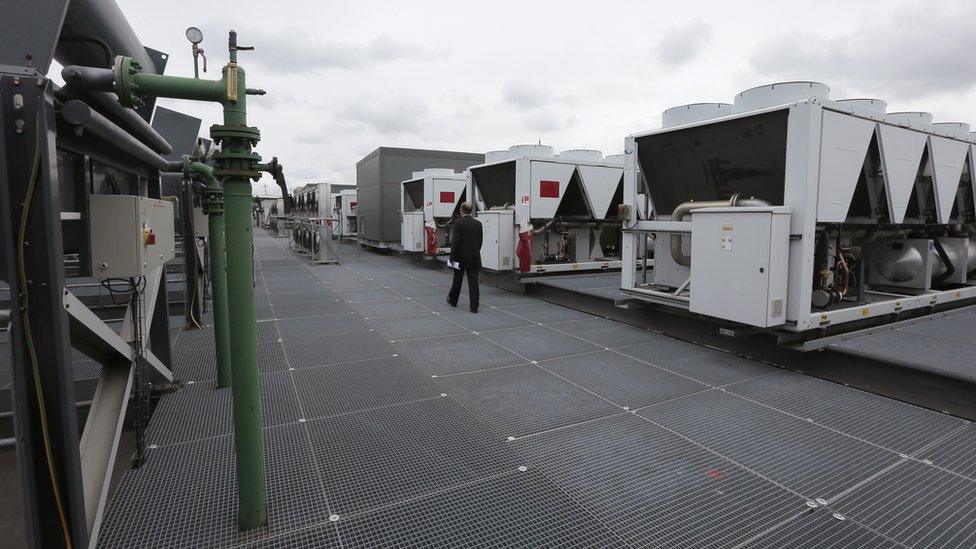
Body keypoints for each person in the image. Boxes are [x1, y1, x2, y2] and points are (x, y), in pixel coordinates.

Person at [447, 202, 483, 313]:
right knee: (474, 283)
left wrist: (452, 258)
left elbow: (455, 243)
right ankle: (474, 307)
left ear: (461, 210)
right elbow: (480, 241)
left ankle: (453, 300)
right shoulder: (478, 224)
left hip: (460, 258)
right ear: (471, 211)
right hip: (474, 256)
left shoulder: (458, 223)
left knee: (457, 280)